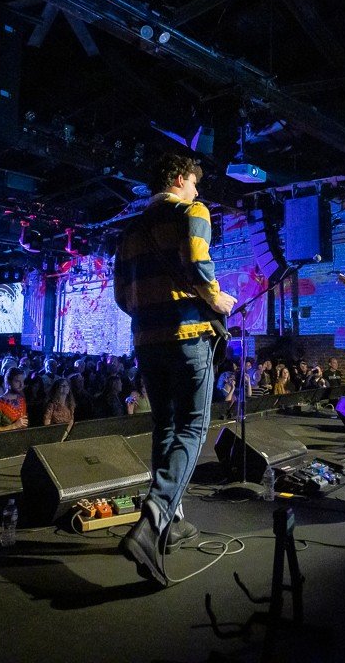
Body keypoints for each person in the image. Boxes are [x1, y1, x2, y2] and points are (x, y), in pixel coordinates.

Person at [114, 152, 237, 585]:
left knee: (164, 427)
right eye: (194, 182)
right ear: (181, 179)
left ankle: (173, 520)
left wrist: (150, 315)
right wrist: (215, 296)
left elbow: (121, 295)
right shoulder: (192, 211)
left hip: (147, 341)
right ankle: (152, 521)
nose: (198, 190)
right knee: (192, 428)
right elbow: (197, 260)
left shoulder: (128, 230)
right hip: (188, 336)